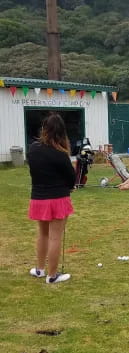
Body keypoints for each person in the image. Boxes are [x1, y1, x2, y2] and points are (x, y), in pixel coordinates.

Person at [27, 113, 75, 284]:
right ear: (62, 132)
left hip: (38, 199)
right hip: (56, 199)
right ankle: (52, 275)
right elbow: (72, 179)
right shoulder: (60, 154)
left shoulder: (32, 149)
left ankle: (40, 270)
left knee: (43, 234)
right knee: (55, 237)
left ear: (44, 129)